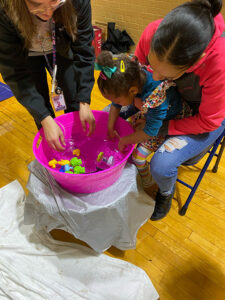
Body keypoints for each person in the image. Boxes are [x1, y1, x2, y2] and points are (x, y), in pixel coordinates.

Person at [134, 0, 225, 220]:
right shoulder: (154, 32)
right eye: (152, 66)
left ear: (197, 61)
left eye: (165, 75)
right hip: (172, 97)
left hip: (205, 117)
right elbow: (138, 74)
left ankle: (166, 192)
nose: (155, 76)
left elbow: (208, 121)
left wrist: (162, 127)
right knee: (111, 109)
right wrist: (137, 100)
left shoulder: (219, 63)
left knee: (162, 164)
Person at [0, 0, 95, 151]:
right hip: (27, 56)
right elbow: (15, 73)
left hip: (61, 49)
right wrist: (44, 118)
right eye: (36, 4)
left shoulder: (76, 2)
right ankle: (53, 146)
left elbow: (84, 50)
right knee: (41, 107)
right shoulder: (4, 9)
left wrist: (83, 100)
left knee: (74, 98)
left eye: (54, 1)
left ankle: (77, 143)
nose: (48, 12)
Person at [95, 51, 191, 195]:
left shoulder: (155, 95)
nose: (116, 103)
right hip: (151, 113)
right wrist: (110, 128)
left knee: (138, 156)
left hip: (171, 119)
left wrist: (124, 141)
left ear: (133, 91)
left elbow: (151, 131)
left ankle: (148, 181)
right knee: (127, 124)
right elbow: (116, 104)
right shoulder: (132, 78)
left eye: (119, 100)